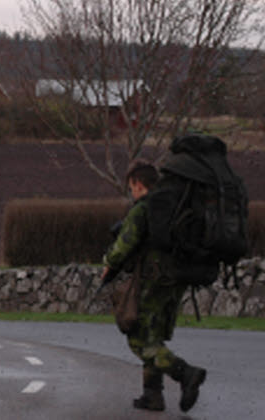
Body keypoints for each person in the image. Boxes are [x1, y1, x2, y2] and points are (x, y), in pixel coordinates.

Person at [101, 161, 207, 413]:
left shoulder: (143, 209)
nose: (132, 192)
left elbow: (124, 245)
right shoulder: (174, 208)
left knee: (139, 339)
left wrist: (108, 264)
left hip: (152, 278)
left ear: (138, 184)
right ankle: (152, 395)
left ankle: (185, 373)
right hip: (176, 278)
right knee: (154, 335)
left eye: (131, 187)